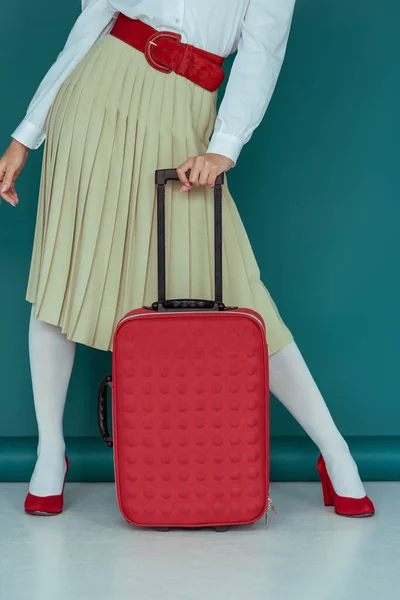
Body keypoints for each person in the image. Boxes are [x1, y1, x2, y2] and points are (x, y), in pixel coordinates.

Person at [0, 0, 374, 518]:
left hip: (185, 115)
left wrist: (224, 146)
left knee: (240, 296)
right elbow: (95, 20)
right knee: (65, 280)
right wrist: (26, 132)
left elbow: (262, 51)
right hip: (94, 97)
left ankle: (336, 455)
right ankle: (49, 454)